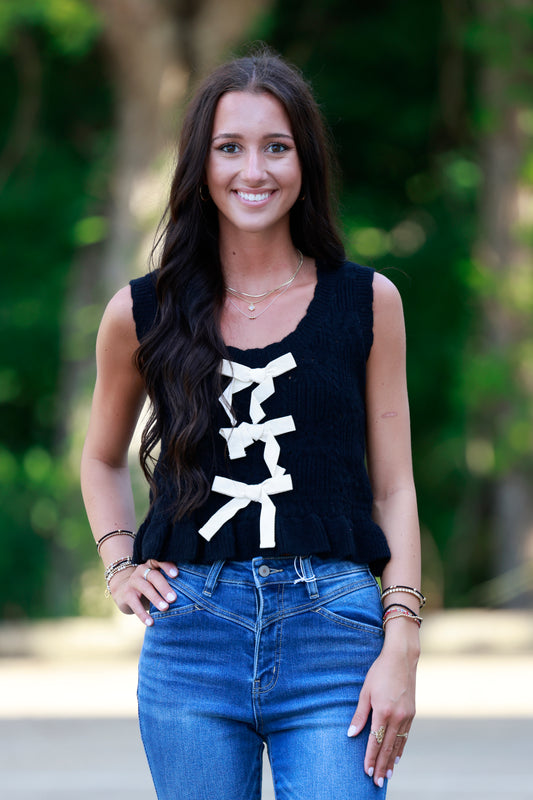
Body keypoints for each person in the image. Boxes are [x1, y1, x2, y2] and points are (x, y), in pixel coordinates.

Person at [81, 46, 422, 800]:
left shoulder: (368, 302)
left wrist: (401, 639)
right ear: (200, 166)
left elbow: (393, 488)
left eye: (276, 147)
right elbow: (101, 459)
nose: (253, 170)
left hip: (335, 633)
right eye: (229, 148)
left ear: (305, 162)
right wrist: (117, 565)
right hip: (191, 635)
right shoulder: (142, 311)